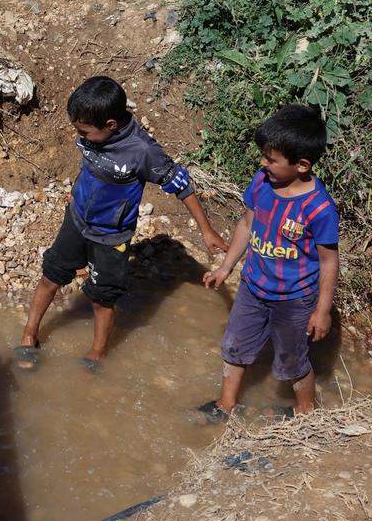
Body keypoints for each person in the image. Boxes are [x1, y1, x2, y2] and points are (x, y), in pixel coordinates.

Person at [14, 76, 228, 370]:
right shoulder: (93, 130)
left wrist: (207, 231)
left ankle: (98, 353)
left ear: (111, 124)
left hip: (111, 236)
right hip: (76, 220)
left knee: (102, 299)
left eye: (84, 131)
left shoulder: (142, 151)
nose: (80, 136)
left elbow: (182, 186)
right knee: (50, 277)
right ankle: (29, 334)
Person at [198, 104, 339, 420]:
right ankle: (225, 405)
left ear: (302, 165)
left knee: (292, 361)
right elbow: (247, 225)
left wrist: (322, 311)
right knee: (234, 346)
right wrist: (226, 267)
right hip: (252, 288)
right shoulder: (262, 182)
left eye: (271, 159)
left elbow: (329, 262)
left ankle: (305, 412)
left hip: (294, 300)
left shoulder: (319, 209)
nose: (263, 163)